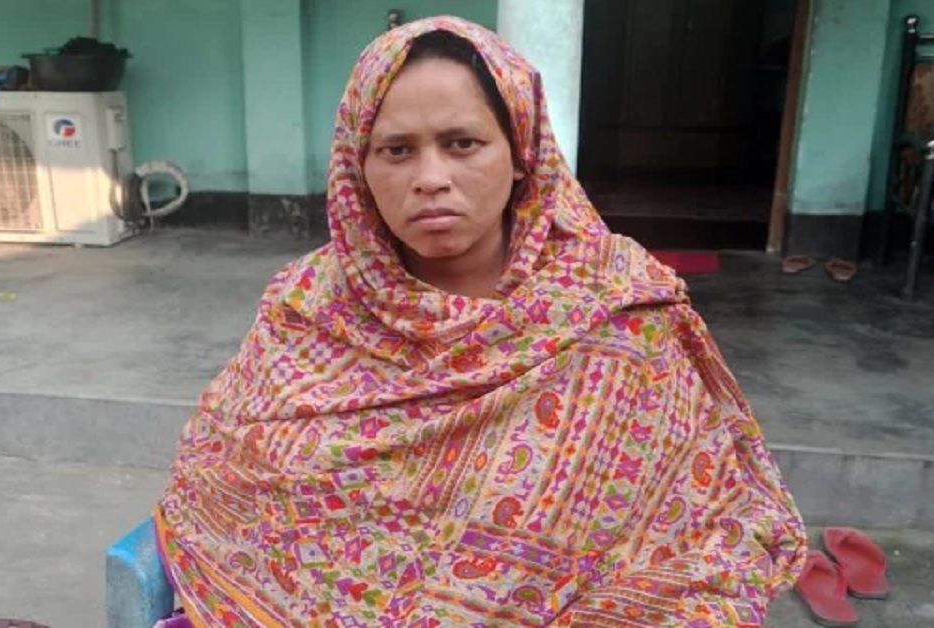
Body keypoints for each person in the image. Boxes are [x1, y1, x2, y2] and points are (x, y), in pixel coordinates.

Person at [155, 17, 805, 626]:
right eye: (397, 150)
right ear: (359, 168)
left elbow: (694, 534)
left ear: (521, 151)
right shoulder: (307, 307)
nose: (430, 178)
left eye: (462, 143)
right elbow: (221, 475)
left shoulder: (618, 315)